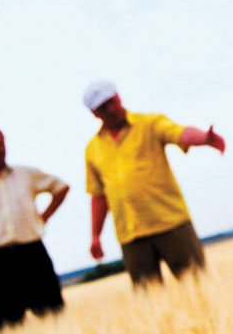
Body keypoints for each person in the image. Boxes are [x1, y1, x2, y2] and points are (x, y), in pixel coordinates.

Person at [82, 81, 225, 286]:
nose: (111, 109)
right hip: (130, 233)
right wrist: (95, 235)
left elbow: (178, 133)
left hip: (170, 223)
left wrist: (204, 137)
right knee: (148, 299)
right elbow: (98, 195)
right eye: (103, 107)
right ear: (95, 113)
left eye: (112, 102)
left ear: (119, 97)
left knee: (199, 285)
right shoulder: (92, 149)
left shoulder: (149, 123)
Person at [0, 127, 70, 330]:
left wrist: (43, 217)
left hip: (33, 254)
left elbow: (61, 187)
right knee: (8, 326)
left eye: (2, 144)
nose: (0, 150)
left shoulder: (26, 174)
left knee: (56, 319)